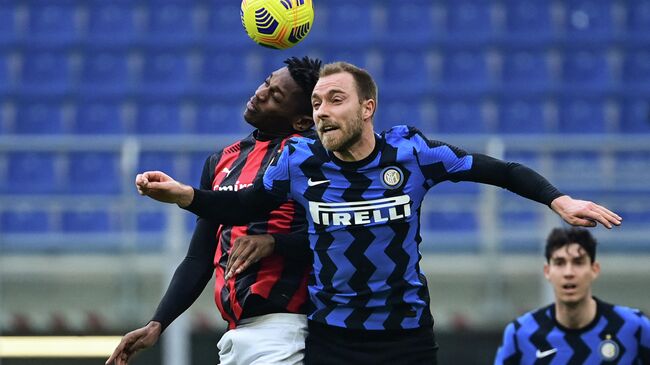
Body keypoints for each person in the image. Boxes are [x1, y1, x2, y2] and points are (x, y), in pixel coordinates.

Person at [133, 61, 622, 364]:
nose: (323, 111)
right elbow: (242, 205)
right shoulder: (299, 162)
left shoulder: (412, 153)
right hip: (331, 337)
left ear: (368, 108)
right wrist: (185, 195)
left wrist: (559, 199)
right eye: (318, 102)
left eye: (336, 100)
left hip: (406, 335)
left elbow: (498, 169)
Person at [106, 56, 322, 365]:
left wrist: (275, 243)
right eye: (266, 83)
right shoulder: (222, 160)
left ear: (301, 121)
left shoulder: (307, 158)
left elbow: (332, 236)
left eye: (276, 96)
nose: (261, 93)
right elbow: (200, 256)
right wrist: (158, 322)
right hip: (234, 336)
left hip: (285, 330)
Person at [494, 227, 650, 364]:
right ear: (547, 271)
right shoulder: (520, 333)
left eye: (578, 262)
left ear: (594, 269)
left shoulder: (634, 327)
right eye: (560, 263)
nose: (569, 273)